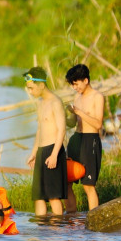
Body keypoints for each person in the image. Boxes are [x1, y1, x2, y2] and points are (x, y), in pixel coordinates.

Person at [24, 67, 68, 216]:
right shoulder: (41, 103)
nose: (30, 91)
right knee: (38, 196)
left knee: (53, 196)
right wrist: (34, 153)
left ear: (41, 85)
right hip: (42, 151)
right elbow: (39, 130)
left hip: (53, 150)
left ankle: (57, 234)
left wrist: (55, 154)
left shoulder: (56, 102)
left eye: (31, 88)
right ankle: (42, 232)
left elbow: (62, 130)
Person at [63, 64, 104, 212]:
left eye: (76, 83)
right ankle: (71, 218)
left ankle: (93, 221)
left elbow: (98, 124)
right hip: (76, 139)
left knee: (88, 185)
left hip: (90, 140)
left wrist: (80, 112)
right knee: (66, 182)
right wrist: (68, 114)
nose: (75, 87)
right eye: (72, 85)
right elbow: (73, 123)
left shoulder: (97, 97)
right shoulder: (77, 97)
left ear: (86, 80)